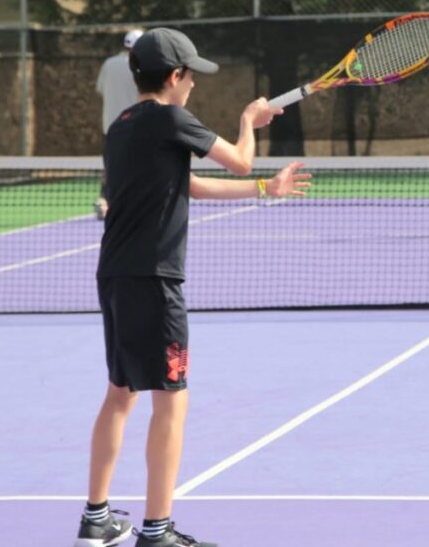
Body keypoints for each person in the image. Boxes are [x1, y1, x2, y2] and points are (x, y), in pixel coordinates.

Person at [74, 27, 311, 547]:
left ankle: (96, 519)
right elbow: (241, 158)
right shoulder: (171, 117)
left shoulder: (123, 126)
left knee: (120, 394)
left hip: (113, 275)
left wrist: (264, 191)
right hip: (156, 280)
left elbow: (189, 185)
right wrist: (250, 121)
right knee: (171, 403)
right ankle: (157, 532)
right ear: (175, 76)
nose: (194, 87)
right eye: (191, 77)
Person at [94, 29, 144, 220]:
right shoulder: (142, 66)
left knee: (110, 165)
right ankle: (135, 201)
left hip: (110, 126)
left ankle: (103, 201)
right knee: (139, 164)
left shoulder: (108, 64)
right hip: (135, 125)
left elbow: (100, 90)